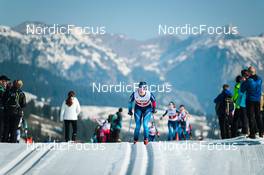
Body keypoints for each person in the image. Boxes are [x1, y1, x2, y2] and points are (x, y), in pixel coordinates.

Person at [241, 66, 263, 138]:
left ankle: (252, 134)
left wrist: (243, 81)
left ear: (249, 73)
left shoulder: (248, 81)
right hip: (258, 100)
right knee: (258, 116)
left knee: (251, 117)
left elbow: (242, 90)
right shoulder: (260, 79)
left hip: (250, 100)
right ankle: (261, 132)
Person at [0, 75, 10, 141]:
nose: (6, 83)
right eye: (5, 81)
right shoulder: (1, 90)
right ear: (1, 81)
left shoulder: (3, 89)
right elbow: (4, 99)